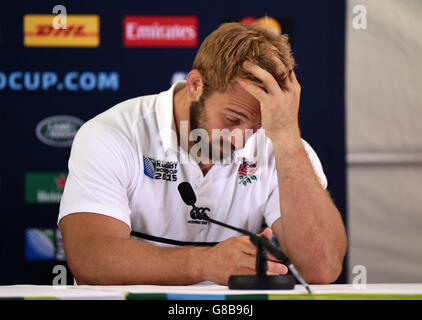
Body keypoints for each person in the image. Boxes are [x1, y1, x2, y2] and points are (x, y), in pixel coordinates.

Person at [58, 22, 347, 285]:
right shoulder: (112, 134)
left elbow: (321, 268)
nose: (240, 139)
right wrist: (205, 263)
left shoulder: (282, 146)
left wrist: (287, 138)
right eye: (233, 119)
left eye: (257, 126)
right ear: (196, 85)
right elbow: (90, 258)